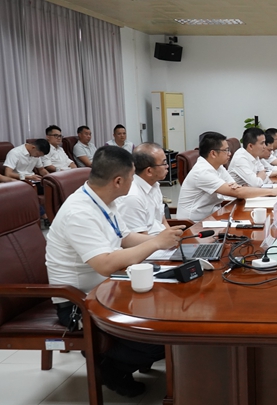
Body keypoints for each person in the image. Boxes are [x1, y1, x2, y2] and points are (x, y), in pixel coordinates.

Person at [45, 145, 185, 397]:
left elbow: (125, 237)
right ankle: (110, 368)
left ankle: (122, 358)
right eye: (132, 176)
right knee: (160, 337)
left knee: (172, 313)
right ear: (118, 181)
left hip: (109, 286)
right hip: (78, 301)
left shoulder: (103, 200)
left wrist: (164, 240)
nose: (135, 181)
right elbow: (106, 263)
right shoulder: (79, 212)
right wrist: (155, 243)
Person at [176, 132, 277, 221]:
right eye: (226, 150)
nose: (229, 153)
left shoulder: (218, 166)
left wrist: (237, 189)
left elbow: (235, 187)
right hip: (193, 223)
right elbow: (237, 191)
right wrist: (272, 192)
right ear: (213, 153)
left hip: (212, 215)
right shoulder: (202, 172)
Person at [116, 143, 171, 234]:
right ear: (149, 171)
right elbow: (141, 238)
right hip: (150, 241)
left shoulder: (154, 185)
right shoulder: (133, 197)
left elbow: (162, 221)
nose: (167, 166)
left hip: (162, 239)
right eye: (164, 163)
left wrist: (174, 238)